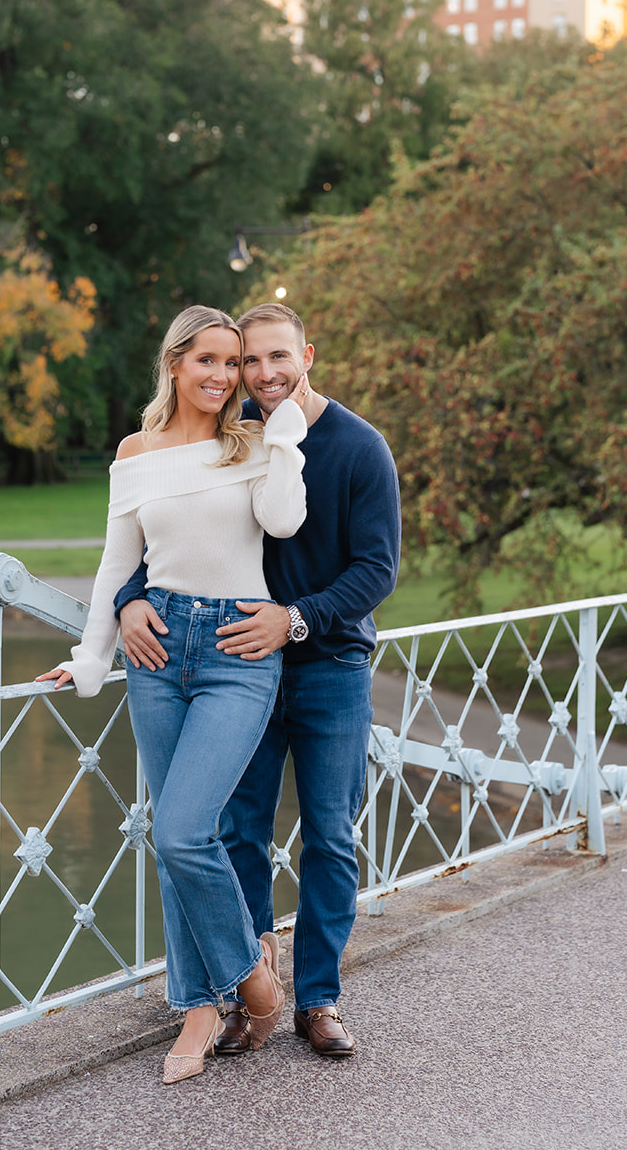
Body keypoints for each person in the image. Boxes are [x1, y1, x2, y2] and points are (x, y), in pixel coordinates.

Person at [37, 305, 313, 1085]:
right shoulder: (135, 452)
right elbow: (114, 561)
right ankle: (199, 1008)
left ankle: (256, 985)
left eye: (233, 364)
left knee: (188, 830)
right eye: (209, 362)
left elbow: (284, 522)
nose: (225, 377)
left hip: (234, 651)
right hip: (157, 653)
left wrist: (285, 430)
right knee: (172, 841)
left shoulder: (256, 442)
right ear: (174, 364)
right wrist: (91, 656)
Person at [117, 303, 400, 1059]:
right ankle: (247, 987)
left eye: (277, 358)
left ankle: (319, 999)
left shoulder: (357, 446)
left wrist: (296, 620)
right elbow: (164, 534)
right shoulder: (230, 441)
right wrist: (126, 600)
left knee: (330, 838)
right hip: (234, 667)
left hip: (328, 665)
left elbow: (377, 569)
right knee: (235, 832)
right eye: (248, 362)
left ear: (307, 354)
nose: (262, 374)